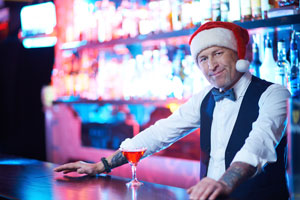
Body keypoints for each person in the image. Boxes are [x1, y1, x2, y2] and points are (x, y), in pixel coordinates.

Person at [54, 21, 291, 200]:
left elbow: (259, 144)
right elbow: (160, 133)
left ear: (238, 55)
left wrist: (225, 182)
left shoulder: (274, 94)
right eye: (203, 59)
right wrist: (101, 165)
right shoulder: (204, 98)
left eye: (218, 53)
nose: (212, 65)